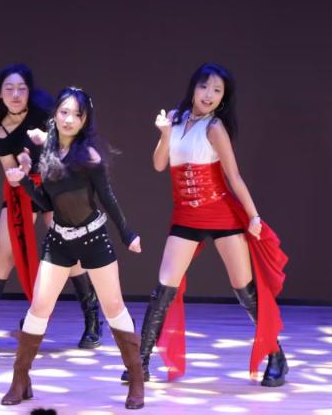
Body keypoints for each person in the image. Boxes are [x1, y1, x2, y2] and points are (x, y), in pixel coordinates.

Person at [123, 63, 288, 386]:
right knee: (163, 289)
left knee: (244, 290)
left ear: (223, 98)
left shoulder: (215, 128)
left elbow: (234, 177)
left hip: (220, 213)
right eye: (204, 87)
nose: (209, 95)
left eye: (217, 90)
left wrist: (253, 216)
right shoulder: (175, 118)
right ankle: (140, 362)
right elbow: (159, 164)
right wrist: (165, 134)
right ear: (193, 88)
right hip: (186, 216)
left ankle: (276, 355)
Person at [1, 87, 146, 410]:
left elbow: (108, 198)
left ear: (85, 120)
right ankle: (20, 379)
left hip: (93, 239)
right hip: (59, 241)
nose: (69, 119)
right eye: (64, 112)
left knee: (113, 307)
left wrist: (127, 234)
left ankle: (136, 379)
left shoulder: (89, 157)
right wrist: (22, 181)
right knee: (39, 307)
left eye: (76, 114)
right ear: (55, 114)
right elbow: (45, 202)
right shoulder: (47, 152)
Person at [0, 64, 102, 351]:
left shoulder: (45, 113)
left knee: (71, 252)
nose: (16, 94)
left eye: (21, 88)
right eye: (9, 89)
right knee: (4, 254)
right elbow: (10, 174)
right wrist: (21, 172)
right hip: (22, 190)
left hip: (56, 184)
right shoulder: (1, 133)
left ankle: (93, 322)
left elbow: (68, 145)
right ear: (0, 95)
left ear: (29, 91)